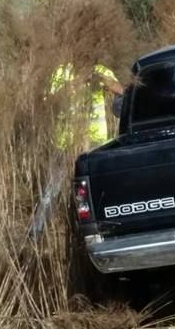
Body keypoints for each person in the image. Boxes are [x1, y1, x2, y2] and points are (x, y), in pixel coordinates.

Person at [29, 62, 124, 238]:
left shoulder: (101, 70)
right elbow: (48, 102)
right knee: (53, 188)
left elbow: (121, 91)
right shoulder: (60, 72)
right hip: (66, 142)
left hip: (95, 142)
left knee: (96, 188)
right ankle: (37, 231)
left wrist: (103, 80)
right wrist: (72, 86)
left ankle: (104, 228)